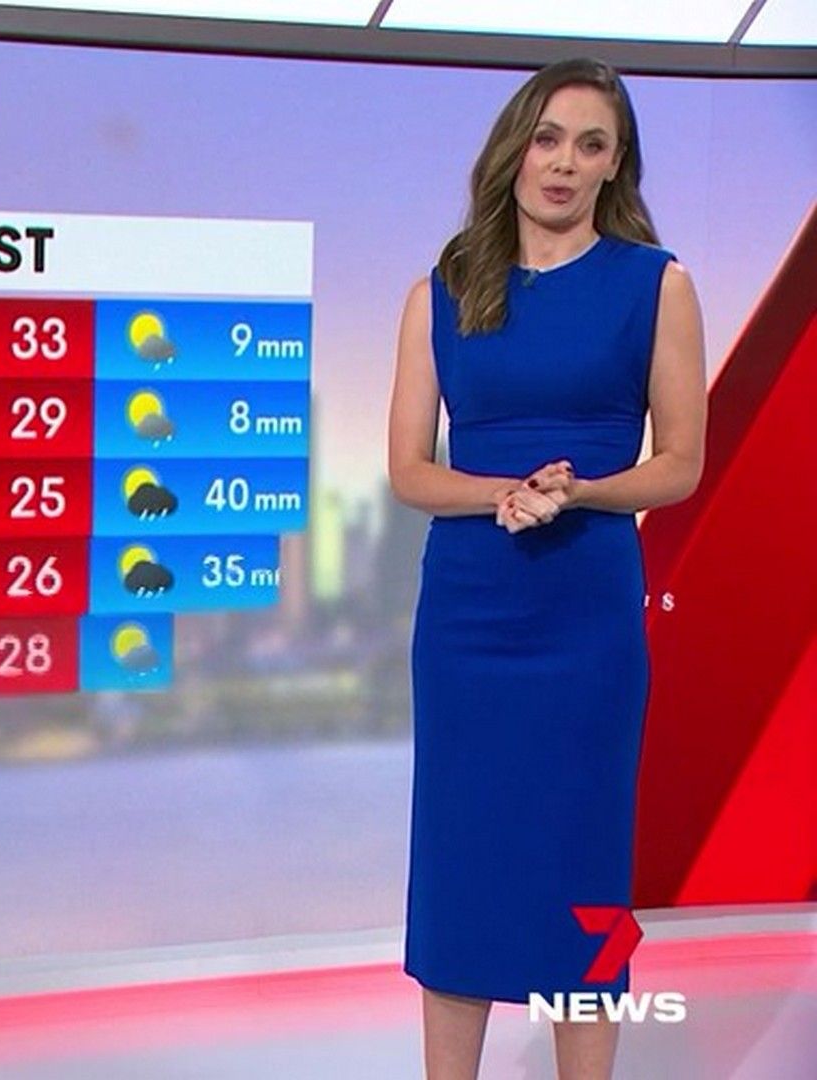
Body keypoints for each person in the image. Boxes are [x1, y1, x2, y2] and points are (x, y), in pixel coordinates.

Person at [386, 58, 707, 1080]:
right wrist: (502, 492)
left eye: (591, 144)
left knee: (585, 866)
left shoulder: (657, 285)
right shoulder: (442, 290)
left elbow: (681, 463)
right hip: (470, 618)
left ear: (617, 166)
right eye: (549, 138)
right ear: (515, 149)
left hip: (587, 613)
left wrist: (579, 492)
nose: (565, 163)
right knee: (461, 866)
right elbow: (408, 469)